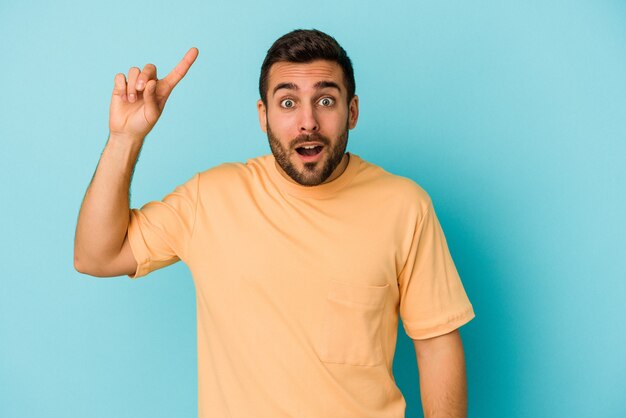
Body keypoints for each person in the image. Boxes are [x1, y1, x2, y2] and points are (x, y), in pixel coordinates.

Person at [74, 29, 475, 418]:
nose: (307, 122)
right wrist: (124, 139)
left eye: (325, 100)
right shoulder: (209, 199)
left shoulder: (404, 206)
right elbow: (96, 256)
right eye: (287, 103)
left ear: (351, 112)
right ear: (263, 116)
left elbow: (437, 344)